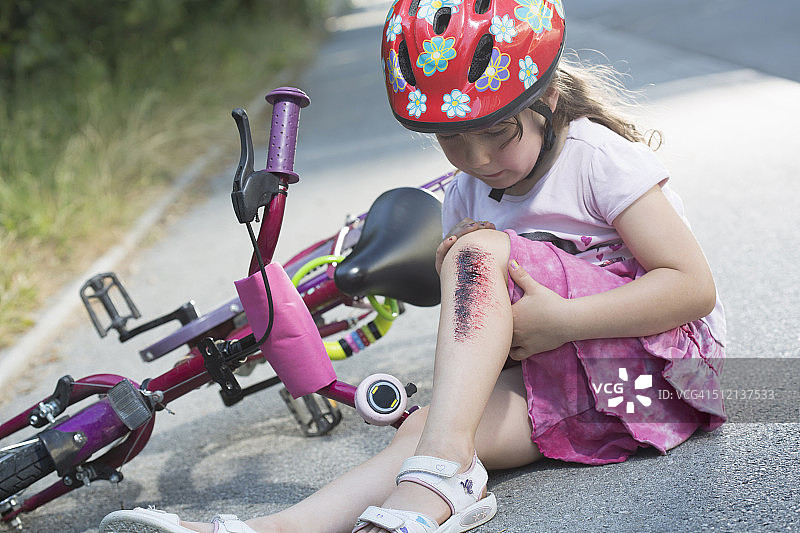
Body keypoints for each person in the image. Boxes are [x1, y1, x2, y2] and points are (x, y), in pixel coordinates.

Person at [100, 1, 726, 532]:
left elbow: (692, 288)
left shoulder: (597, 158)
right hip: (590, 396)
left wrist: (561, 320)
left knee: (475, 254)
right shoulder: (465, 190)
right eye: (452, 139)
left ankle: (446, 465)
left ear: (550, 96)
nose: (478, 159)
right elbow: (479, 325)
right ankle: (288, 527)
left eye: (498, 134)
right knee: (428, 432)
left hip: (661, 381)